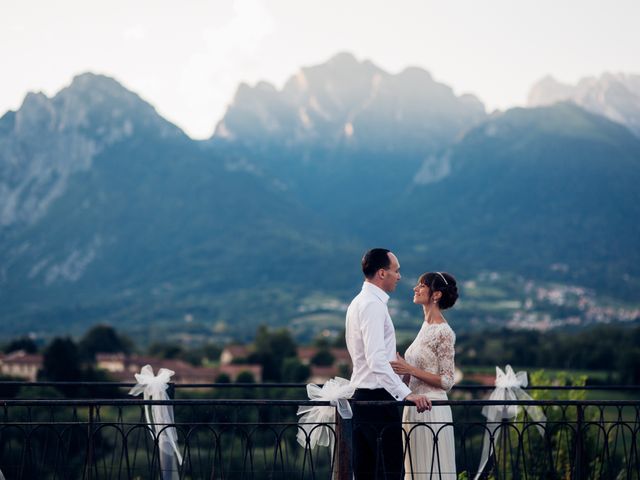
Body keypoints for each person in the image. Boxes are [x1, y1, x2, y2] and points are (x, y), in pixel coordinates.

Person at [346, 248, 431, 479]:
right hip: (378, 401)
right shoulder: (372, 305)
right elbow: (375, 360)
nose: (399, 276)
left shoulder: (358, 302)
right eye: (396, 271)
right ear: (382, 273)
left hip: (362, 399)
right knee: (389, 472)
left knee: (366, 472)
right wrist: (406, 394)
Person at [390, 271, 458, 479]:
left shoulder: (444, 332)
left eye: (422, 285)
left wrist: (409, 369)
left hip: (432, 410)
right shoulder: (425, 326)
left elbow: (447, 380)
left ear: (436, 295)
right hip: (413, 408)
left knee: (431, 469)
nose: (415, 288)